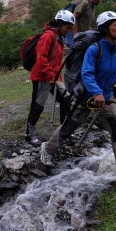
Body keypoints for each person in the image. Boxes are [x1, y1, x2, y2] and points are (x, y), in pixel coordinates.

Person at [40, 11, 116, 179]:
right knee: (68, 128)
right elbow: (87, 74)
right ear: (105, 28)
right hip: (87, 97)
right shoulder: (94, 49)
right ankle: (47, 149)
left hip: (107, 97)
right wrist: (96, 92)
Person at [25, 10, 75, 147]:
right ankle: (30, 135)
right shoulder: (48, 36)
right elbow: (41, 59)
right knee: (37, 106)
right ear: (60, 24)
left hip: (54, 77)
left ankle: (64, 131)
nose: (68, 31)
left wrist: (56, 78)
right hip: (42, 77)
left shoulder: (59, 38)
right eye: (67, 28)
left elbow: (56, 62)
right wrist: (50, 75)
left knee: (66, 99)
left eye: (70, 28)